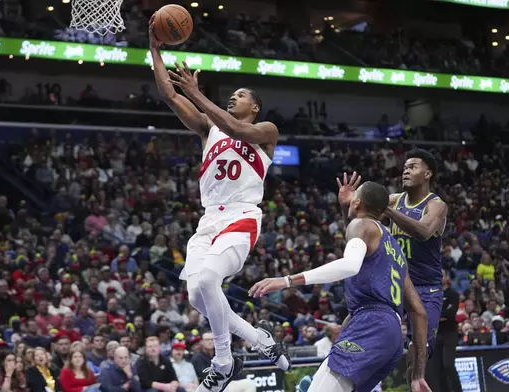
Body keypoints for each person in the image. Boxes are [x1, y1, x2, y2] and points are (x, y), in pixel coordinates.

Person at [149, 13, 289, 392]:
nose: (234, 96)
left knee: (210, 279)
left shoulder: (265, 131)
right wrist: (154, 48)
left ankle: (224, 360)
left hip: (242, 215)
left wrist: (198, 93)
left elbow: (236, 129)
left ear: (255, 107)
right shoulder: (208, 129)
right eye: (233, 94)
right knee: (197, 294)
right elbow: (170, 95)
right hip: (209, 220)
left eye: (241, 95)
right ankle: (258, 339)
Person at [250, 181, 430, 392]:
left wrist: (287, 280)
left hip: (371, 324)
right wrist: (418, 374)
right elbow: (419, 312)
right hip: (392, 337)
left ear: (357, 203)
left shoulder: (361, 225)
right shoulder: (396, 254)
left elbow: (350, 264)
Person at [383, 149, 447, 376]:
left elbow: (423, 231)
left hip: (425, 289)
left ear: (427, 173)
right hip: (394, 287)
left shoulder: (436, 205)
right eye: (404, 168)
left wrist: (388, 212)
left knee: (417, 352)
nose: (406, 171)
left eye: (412, 167)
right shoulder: (393, 200)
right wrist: (347, 204)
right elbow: (354, 222)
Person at [426, 270, 461, 392]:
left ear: (447, 278)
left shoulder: (453, 294)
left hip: (450, 333)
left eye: (442, 275)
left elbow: (450, 314)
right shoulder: (432, 295)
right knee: (437, 368)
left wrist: (436, 316)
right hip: (436, 334)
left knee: (448, 365)